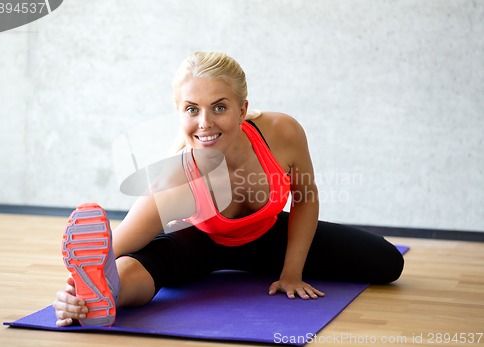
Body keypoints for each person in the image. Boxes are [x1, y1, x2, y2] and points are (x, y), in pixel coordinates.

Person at [54, 52, 404, 327]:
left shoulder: (283, 134)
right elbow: (111, 251)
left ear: (243, 109)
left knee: (386, 262)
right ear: (180, 114)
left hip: (266, 238)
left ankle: (105, 292)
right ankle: (105, 298)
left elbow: (305, 199)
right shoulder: (175, 178)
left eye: (219, 107)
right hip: (196, 242)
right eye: (192, 110)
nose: (205, 123)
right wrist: (76, 294)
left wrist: (291, 272)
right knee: (133, 266)